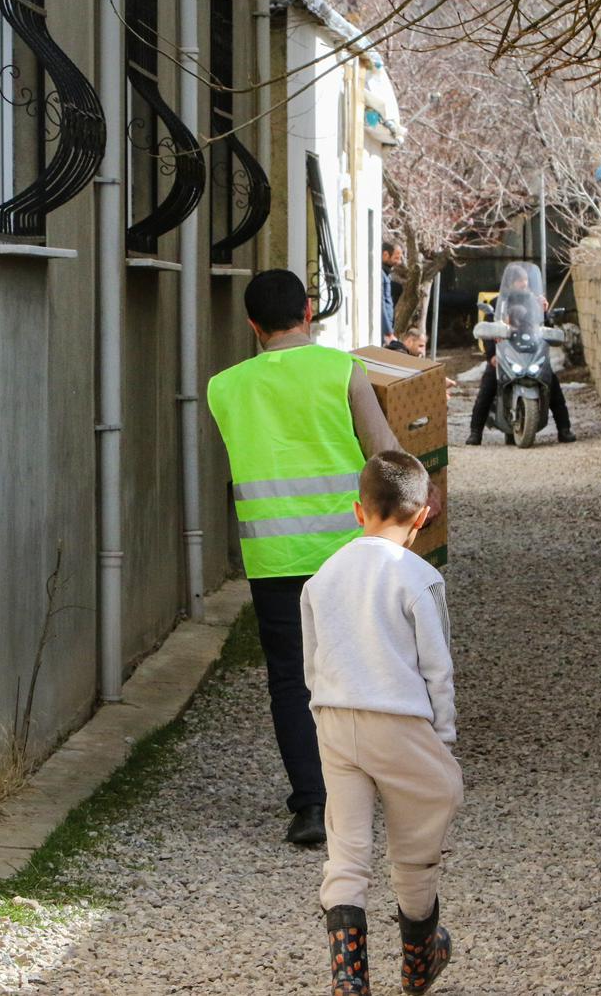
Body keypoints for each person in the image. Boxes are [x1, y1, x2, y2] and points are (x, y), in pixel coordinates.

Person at [207, 269, 431, 846]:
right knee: (358, 669)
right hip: (348, 553)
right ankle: (366, 790)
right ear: (308, 314)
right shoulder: (344, 372)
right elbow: (386, 459)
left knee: (290, 679)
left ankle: (311, 805)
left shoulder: (224, 388)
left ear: (252, 325)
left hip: (273, 555)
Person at [302, 450, 461, 996]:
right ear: (422, 517)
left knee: (345, 851)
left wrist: (328, 707)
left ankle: (350, 983)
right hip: (398, 722)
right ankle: (420, 958)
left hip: (333, 718)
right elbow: (437, 671)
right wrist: (441, 739)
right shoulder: (418, 578)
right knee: (417, 841)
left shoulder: (322, 577)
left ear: (356, 511)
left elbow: (311, 661)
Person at [466, 262, 575, 445]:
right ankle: (475, 432)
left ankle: (564, 429)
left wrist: (546, 313)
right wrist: (492, 355)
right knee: (487, 387)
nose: (524, 284)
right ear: (510, 282)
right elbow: (488, 333)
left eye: (525, 280)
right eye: (519, 281)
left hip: (530, 351)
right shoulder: (497, 304)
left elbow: (543, 328)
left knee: (552, 385)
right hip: (505, 353)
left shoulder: (534, 301)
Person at [382, 241, 404, 345]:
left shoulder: (386, 275)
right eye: (396, 258)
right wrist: (388, 332)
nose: (399, 262)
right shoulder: (380, 275)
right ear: (386, 255)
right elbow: (381, 305)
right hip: (382, 330)